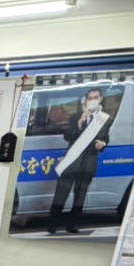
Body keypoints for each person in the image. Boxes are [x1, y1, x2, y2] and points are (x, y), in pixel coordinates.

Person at [48, 88, 109, 235]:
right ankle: (52, 224)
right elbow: (67, 136)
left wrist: (103, 144)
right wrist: (80, 123)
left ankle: (73, 224)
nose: (93, 100)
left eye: (95, 97)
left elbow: (105, 137)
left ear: (100, 99)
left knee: (80, 193)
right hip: (72, 159)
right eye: (90, 98)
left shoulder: (105, 119)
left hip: (89, 160)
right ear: (86, 100)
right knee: (62, 191)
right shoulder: (75, 117)